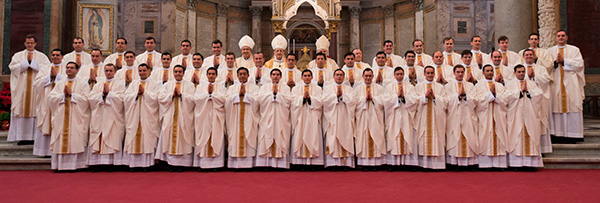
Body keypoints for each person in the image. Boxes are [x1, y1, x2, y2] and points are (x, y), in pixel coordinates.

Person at [8, 34, 51, 144]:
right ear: (24, 43)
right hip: (22, 89)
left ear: (35, 43)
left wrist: (34, 64)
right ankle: (21, 137)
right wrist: (25, 64)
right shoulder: (18, 56)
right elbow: (12, 68)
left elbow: (47, 69)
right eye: (28, 43)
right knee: (21, 111)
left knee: (35, 111)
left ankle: (33, 137)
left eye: (32, 43)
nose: (29, 45)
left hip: (35, 90)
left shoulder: (42, 57)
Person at [48, 62, 91, 171]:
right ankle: (60, 165)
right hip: (62, 116)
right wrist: (63, 96)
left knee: (75, 138)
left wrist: (72, 95)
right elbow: (51, 98)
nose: (69, 70)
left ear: (77, 70)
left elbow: (86, 100)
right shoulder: (60, 83)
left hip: (76, 116)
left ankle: (77, 165)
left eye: (72, 68)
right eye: (67, 68)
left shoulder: (83, 83)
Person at [547, 30, 585, 143]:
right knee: (556, 107)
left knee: (573, 105)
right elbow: (546, 66)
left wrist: (564, 61)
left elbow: (580, 64)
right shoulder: (550, 51)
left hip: (571, 83)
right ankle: (557, 135)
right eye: (558, 36)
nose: (561, 38)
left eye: (563, 36)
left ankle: (573, 134)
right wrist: (555, 62)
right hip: (556, 83)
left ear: (566, 37)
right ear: (555, 38)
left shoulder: (574, 50)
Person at [156, 65, 196, 171]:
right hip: (170, 115)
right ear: (173, 73)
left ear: (183, 73)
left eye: (180, 72)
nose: (178, 74)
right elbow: (160, 97)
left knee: (183, 138)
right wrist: (172, 95)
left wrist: (181, 95)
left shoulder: (190, 85)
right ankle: (171, 163)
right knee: (169, 136)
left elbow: (193, 99)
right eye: (176, 72)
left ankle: (183, 164)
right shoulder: (167, 85)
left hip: (184, 117)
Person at [122, 64, 161, 170]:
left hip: (148, 116)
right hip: (134, 116)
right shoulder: (134, 83)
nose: (142, 72)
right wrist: (136, 94)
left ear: (149, 71)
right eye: (140, 71)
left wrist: (145, 93)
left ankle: (146, 164)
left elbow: (157, 98)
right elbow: (126, 98)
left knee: (147, 137)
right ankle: (134, 164)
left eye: (144, 70)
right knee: (133, 135)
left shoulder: (154, 84)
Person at [87, 64, 126, 171]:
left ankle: (110, 163)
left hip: (113, 116)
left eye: (110, 70)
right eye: (106, 70)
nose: (108, 73)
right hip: (99, 116)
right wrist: (102, 95)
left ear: (115, 72)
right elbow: (90, 98)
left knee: (112, 137)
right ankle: (96, 163)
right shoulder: (98, 85)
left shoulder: (120, 85)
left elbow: (122, 99)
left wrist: (109, 94)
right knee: (98, 136)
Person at [505, 65, 544, 170]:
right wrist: (520, 92)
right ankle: (516, 164)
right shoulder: (510, 84)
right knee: (516, 136)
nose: (521, 73)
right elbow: (506, 97)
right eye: (519, 72)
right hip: (516, 115)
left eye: (523, 71)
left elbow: (539, 95)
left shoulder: (532, 84)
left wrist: (529, 92)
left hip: (530, 115)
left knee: (531, 135)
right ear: (514, 73)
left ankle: (531, 164)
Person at [255, 69, 292, 169]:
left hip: (280, 118)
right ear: (270, 76)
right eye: (274, 74)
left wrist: (277, 95)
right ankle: (265, 163)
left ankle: (280, 164)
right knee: (266, 135)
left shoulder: (285, 88)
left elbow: (288, 100)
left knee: (280, 136)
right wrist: (272, 95)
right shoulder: (264, 87)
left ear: (280, 76)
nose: (275, 76)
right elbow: (260, 100)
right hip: (267, 117)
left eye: (277, 75)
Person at [384, 67, 419, 169]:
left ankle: (408, 162)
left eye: (401, 74)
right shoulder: (389, 87)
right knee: (394, 136)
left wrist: (404, 97)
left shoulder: (410, 87)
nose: (399, 76)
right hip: (394, 116)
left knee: (407, 135)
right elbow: (386, 100)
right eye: (397, 74)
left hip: (406, 115)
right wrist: (396, 98)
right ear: (394, 75)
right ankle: (393, 163)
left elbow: (414, 100)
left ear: (404, 75)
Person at [474, 65, 509, 169]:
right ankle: (486, 164)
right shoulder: (478, 86)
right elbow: (477, 100)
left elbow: (505, 100)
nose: (490, 72)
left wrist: (496, 95)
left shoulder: (500, 86)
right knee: (485, 136)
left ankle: (500, 164)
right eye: (487, 71)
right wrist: (490, 95)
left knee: (500, 136)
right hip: (485, 116)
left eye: (491, 71)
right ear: (483, 73)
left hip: (498, 116)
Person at [192, 67, 227, 170]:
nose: (211, 76)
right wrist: (208, 95)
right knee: (203, 138)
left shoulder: (221, 88)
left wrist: (212, 95)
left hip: (216, 117)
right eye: (209, 74)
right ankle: (203, 164)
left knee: (216, 137)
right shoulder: (200, 87)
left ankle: (216, 164)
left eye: (213, 74)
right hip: (204, 117)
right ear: (206, 75)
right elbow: (196, 99)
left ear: (216, 76)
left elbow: (224, 99)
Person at [445, 65, 479, 169]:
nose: (460, 74)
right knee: (455, 137)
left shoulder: (470, 86)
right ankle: (454, 163)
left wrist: (465, 96)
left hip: (467, 115)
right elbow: (445, 101)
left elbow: (476, 100)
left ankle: (469, 163)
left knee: (468, 136)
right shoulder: (448, 86)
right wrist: (457, 96)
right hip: (454, 116)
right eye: (458, 72)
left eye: (461, 72)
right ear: (454, 73)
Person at [225, 67, 260, 169]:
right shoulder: (231, 88)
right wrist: (237, 95)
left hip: (249, 117)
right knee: (235, 137)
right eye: (240, 74)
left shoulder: (254, 88)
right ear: (237, 76)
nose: (242, 76)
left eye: (244, 74)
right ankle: (235, 164)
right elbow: (226, 101)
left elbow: (257, 101)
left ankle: (248, 164)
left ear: (248, 76)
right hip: (235, 118)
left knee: (249, 136)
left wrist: (246, 96)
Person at [290, 70, 324, 169]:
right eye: (305, 76)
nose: (307, 77)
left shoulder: (317, 89)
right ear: (301, 77)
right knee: (299, 135)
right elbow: (292, 101)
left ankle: (313, 163)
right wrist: (302, 99)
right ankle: (300, 163)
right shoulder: (296, 89)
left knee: (313, 136)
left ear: (312, 77)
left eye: (309, 76)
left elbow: (320, 101)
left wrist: (310, 99)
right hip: (300, 117)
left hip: (313, 116)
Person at [323, 69, 357, 169]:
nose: (339, 77)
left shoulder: (349, 89)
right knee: (332, 138)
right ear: (333, 77)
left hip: (345, 117)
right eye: (337, 75)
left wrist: (342, 97)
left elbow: (353, 101)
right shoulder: (327, 88)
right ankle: (333, 163)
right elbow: (324, 101)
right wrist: (335, 97)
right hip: (332, 117)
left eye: (341, 75)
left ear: (344, 77)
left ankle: (345, 163)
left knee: (345, 137)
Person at [415, 66, 447, 170]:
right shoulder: (418, 87)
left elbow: (446, 102)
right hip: (423, 116)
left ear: (434, 74)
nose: (429, 75)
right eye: (427, 73)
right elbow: (414, 101)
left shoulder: (440, 87)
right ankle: (424, 164)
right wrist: (424, 97)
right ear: (424, 74)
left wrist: (434, 97)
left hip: (436, 118)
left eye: (431, 73)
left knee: (436, 137)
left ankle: (437, 164)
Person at [33, 48, 65, 156]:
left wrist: (58, 77)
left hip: (61, 101)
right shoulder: (45, 68)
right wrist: (49, 77)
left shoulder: (67, 67)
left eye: (57, 55)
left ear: (62, 57)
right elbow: (36, 83)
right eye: (53, 55)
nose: (55, 57)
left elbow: (70, 81)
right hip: (46, 101)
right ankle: (44, 151)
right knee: (46, 121)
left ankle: (57, 150)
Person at [354, 68, 386, 169]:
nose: (368, 78)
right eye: (366, 76)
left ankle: (375, 163)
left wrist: (373, 99)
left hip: (375, 117)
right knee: (363, 136)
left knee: (376, 135)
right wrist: (364, 99)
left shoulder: (379, 88)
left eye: (370, 76)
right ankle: (364, 163)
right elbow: (353, 103)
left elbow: (383, 101)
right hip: (362, 117)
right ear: (362, 76)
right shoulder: (357, 89)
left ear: (373, 77)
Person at [523, 49, 552, 154]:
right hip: (523, 101)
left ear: (534, 56)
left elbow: (546, 81)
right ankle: (526, 148)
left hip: (538, 101)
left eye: (531, 55)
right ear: (523, 56)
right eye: (527, 55)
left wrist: (534, 76)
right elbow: (514, 81)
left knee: (539, 122)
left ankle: (540, 149)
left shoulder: (541, 69)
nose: (529, 56)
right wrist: (527, 76)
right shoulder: (519, 68)